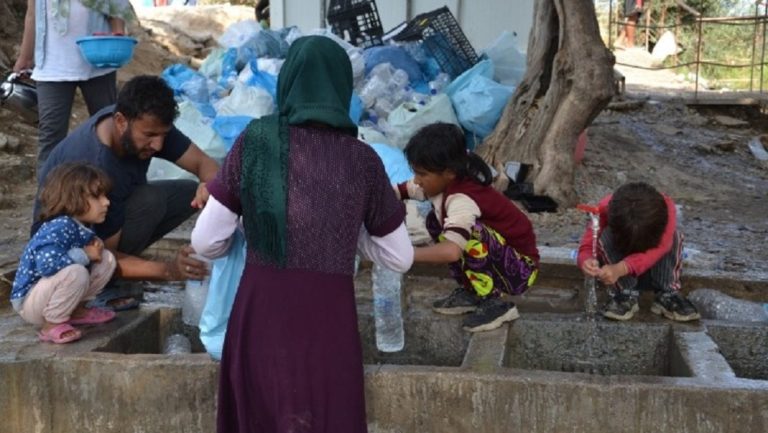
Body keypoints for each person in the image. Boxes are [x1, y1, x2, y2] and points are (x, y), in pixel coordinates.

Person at [190, 36, 413, 433]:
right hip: (330, 323)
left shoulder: (257, 141)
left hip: (261, 315)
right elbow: (401, 257)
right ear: (343, 88)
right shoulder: (363, 159)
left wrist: (251, 230)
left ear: (288, 82)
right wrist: (348, 232)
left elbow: (205, 242)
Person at [34, 75, 220, 284]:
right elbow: (102, 254)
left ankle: (128, 263)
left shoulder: (147, 122)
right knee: (149, 200)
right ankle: (108, 284)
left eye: (163, 135)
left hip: (107, 222)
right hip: (65, 255)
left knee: (189, 192)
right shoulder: (96, 166)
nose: (158, 145)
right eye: (150, 135)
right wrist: (169, 270)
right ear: (121, 121)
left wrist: (209, 186)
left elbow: (204, 163)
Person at [394, 123, 539, 333]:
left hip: (520, 269)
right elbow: (400, 190)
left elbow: (452, 251)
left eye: (422, 173)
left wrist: (404, 253)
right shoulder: (441, 181)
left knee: (469, 236)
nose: (417, 180)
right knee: (435, 222)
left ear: (449, 172)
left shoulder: (463, 198)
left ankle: (495, 302)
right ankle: (473, 291)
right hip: (503, 260)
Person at [13, 0, 137, 170]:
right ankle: (48, 193)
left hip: (99, 62)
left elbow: (115, 6)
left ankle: (116, 186)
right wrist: (25, 57)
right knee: (51, 136)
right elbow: (32, 14)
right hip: (52, 66)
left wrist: (117, 35)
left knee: (111, 129)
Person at [11, 163, 117, 344]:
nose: (106, 202)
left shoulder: (78, 225)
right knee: (76, 272)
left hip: (50, 293)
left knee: (106, 259)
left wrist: (94, 248)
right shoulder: (59, 226)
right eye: (97, 196)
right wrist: (85, 254)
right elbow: (48, 265)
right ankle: (51, 325)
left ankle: (77, 310)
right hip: (30, 301)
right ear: (72, 198)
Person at [577, 182, 700, 322]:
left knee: (673, 236)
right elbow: (588, 245)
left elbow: (662, 247)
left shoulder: (665, 208)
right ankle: (626, 293)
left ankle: (667, 292)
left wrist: (621, 268)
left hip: (655, 267)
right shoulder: (606, 210)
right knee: (605, 236)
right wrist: (586, 260)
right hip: (621, 268)